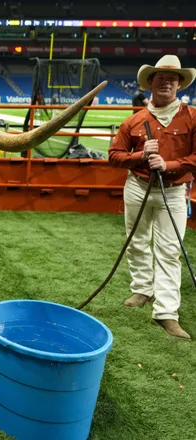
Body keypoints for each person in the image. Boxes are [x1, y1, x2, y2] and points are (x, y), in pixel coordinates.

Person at [108, 54, 196, 340]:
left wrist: (169, 166)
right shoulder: (134, 120)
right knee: (136, 240)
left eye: (172, 79)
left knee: (170, 251)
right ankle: (143, 288)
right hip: (138, 187)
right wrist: (139, 156)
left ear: (180, 84)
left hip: (173, 192)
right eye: (160, 78)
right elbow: (114, 156)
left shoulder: (193, 117)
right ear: (150, 83)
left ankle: (167, 312)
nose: (166, 83)